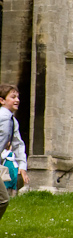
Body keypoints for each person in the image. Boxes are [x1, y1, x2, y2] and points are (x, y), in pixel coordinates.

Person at [0, 84, 28, 219]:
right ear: (2, 100)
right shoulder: (2, 116)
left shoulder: (13, 121)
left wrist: (22, 166)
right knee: (3, 200)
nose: (17, 100)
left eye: (17, 97)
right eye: (13, 97)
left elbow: (18, 144)